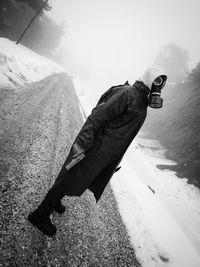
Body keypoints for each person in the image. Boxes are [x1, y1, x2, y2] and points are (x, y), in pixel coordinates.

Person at [28, 65, 167, 236]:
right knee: (70, 175)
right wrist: (84, 142)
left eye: (161, 84)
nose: (158, 87)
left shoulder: (141, 100)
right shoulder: (128, 93)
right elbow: (98, 116)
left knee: (77, 176)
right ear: (148, 78)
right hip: (94, 146)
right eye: (156, 81)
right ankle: (40, 214)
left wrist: (113, 159)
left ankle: (55, 200)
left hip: (104, 152)